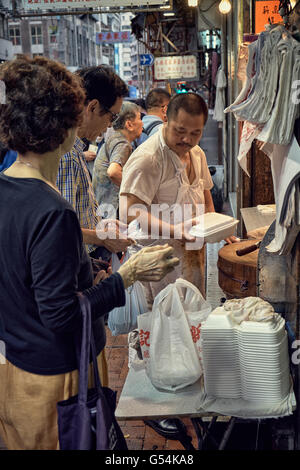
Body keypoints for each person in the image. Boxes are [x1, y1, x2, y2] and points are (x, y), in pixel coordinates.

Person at [0, 55, 179, 450]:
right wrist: (126, 276)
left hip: (15, 373)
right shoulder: (53, 212)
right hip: (57, 383)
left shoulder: (6, 189)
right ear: (65, 127)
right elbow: (61, 314)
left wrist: (88, 271)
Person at [120, 92, 238, 304]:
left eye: (195, 133)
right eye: (180, 131)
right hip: (158, 260)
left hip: (192, 254)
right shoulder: (148, 158)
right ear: (166, 117)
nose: (187, 140)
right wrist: (175, 231)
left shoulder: (197, 153)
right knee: (164, 325)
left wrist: (218, 227)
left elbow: (204, 193)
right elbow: (129, 212)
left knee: (193, 316)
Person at [56, 65, 131, 263]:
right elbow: (60, 230)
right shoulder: (66, 157)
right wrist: (103, 238)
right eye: (112, 117)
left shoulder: (75, 151)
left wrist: (102, 225)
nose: (110, 125)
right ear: (92, 107)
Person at [92, 101, 143, 219]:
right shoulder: (122, 143)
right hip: (112, 210)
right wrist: (136, 191)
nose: (142, 123)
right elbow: (113, 172)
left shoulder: (115, 139)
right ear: (129, 124)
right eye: (140, 118)